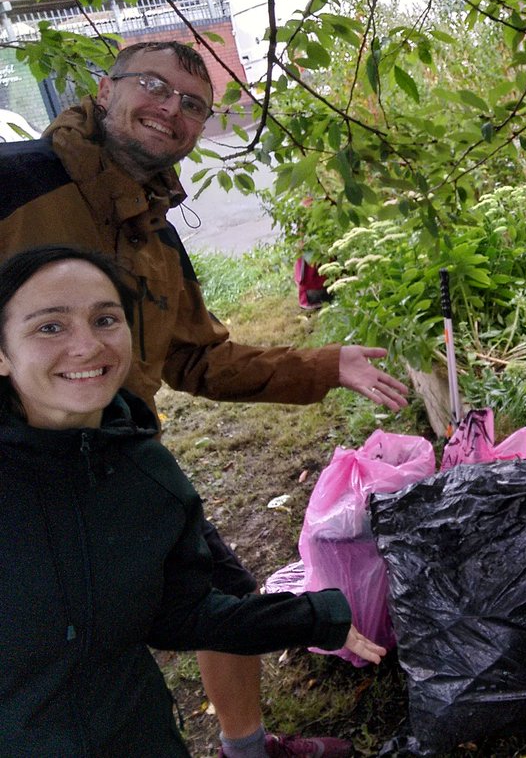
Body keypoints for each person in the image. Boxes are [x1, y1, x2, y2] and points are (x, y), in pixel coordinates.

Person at [0, 41, 408, 758]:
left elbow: (193, 356)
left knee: (219, 596)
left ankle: (245, 748)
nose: (172, 110)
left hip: (119, 455)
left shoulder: (156, 232)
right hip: (20, 467)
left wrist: (324, 365)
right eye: (154, 86)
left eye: (193, 104)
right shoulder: (16, 184)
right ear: (106, 89)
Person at [0, 245, 386, 755]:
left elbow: (179, 613)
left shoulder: (148, 476)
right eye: (50, 327)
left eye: (106, 319)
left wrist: (313, 616)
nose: (87, 346)